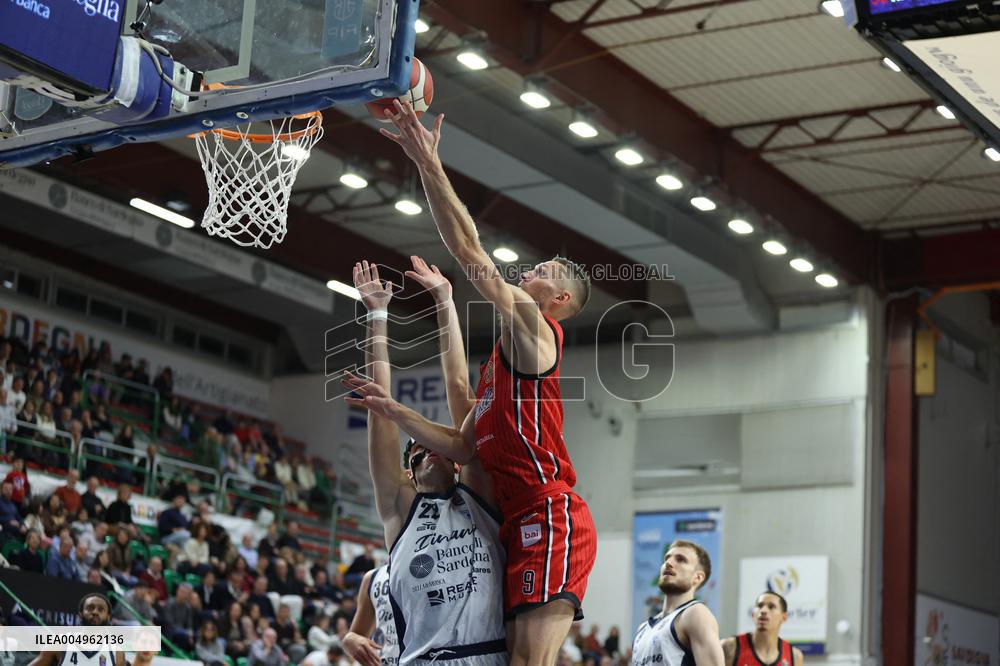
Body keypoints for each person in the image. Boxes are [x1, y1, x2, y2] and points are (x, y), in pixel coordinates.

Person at [375, 104, 598, 665]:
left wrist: (428, 162)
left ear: (559, 300)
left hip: (549, 513)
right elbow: (460, 443)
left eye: (545, 270)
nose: (532, 270)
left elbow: (470, 253)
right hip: (520, 520)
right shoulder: (500, 369)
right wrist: (392, 409)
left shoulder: (536, 331)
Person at [342, 260, 506, 664]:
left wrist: (445, 301)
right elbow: (380, 408)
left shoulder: (477, 493)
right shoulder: (401, 510)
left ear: (455, 463)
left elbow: (459, 387)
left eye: (436, 447)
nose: (426, 449)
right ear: (408, 473)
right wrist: (377, 314)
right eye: (415, 451)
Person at [630, 540, 724, 666]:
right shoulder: (642, 630)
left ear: (697, 577)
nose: (669, 563)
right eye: (666, 559)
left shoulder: (696, 614)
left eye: (680, 560)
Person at [28, 593, 155, 666]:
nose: (95, 612)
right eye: (90, 608)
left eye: (101, 609)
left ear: (108, 617)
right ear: (81, 614)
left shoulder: (117, 654)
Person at [722, 592, 804, 666]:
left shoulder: (794, 656)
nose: (763, 610)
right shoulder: (729, 647)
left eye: (771, 607)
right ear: (753, 614)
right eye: (760, 606)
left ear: (784, 617)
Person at [343, 566, 398, 666]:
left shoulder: (432, 572)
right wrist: (350, 640)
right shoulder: (372, 577)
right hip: (384, 661)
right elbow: (356, 636)